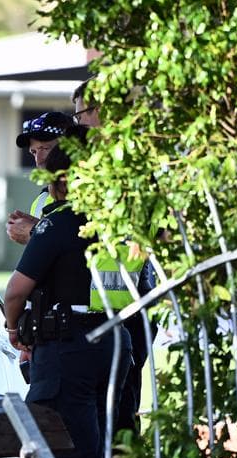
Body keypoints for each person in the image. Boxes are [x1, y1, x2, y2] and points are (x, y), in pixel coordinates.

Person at [4, 140, 131, 458]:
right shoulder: (115, 222)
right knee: (100, 445)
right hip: (114, 340)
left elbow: (15, 291)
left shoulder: (57, 223)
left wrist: (14, 328)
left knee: (70, 453)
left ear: (61, 181)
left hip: (68, 345)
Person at [72, 78, 156, 438]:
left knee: (119, 413)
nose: (78, 126)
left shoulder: (128, 164)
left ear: (102, 111)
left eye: (81, 116)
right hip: (90, 312)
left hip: (127, 310)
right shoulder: (90, 167)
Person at [6, 111, 76, 246]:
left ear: (69, 148)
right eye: (34, 152)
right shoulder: (41, 201)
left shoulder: (91, 192)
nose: (39, 160)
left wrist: (34, 232)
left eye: (45, 148)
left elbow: (78, 247)